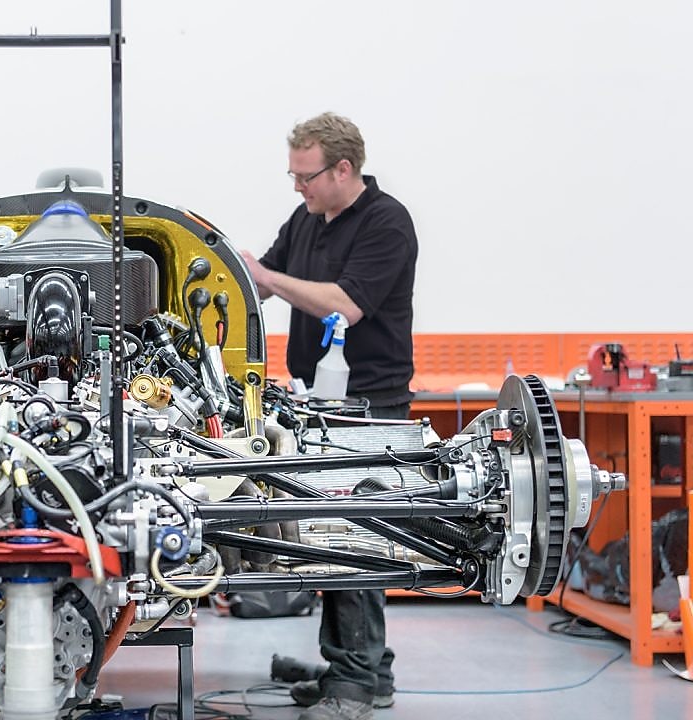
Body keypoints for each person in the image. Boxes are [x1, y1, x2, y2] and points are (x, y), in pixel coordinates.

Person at [239, 113, 418, 720]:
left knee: (356, 541)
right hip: (316, 399)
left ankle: (355, 685)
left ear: (344, 169)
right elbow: (264, 280)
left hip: (369, 403)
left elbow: (345, 304)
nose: (297, 188)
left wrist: (268, 278)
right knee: (328, 540)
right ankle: (363, 669)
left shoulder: (386, 224)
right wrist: (220, 270)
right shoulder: (309, 219)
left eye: (305, 177)